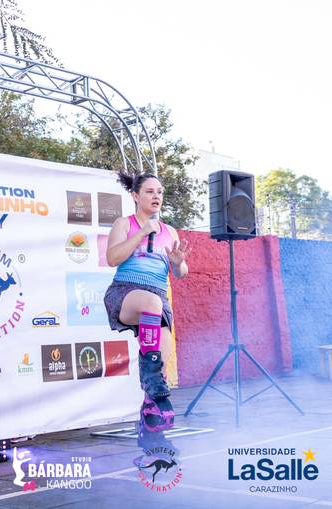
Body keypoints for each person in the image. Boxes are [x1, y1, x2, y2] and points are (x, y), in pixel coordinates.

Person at [103, 171, 190, 451]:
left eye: (160, 192)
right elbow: (112, 258)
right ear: (135, 196)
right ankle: (149, 375)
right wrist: (141, 233)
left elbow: (181, 273)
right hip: (126, 293)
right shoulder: (124, 223)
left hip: (157, 300)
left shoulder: (170, 232)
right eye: (150, 191)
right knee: (152, 305)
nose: (156, 196)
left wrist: (177, 262)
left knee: (159, 373)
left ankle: (151, 430)